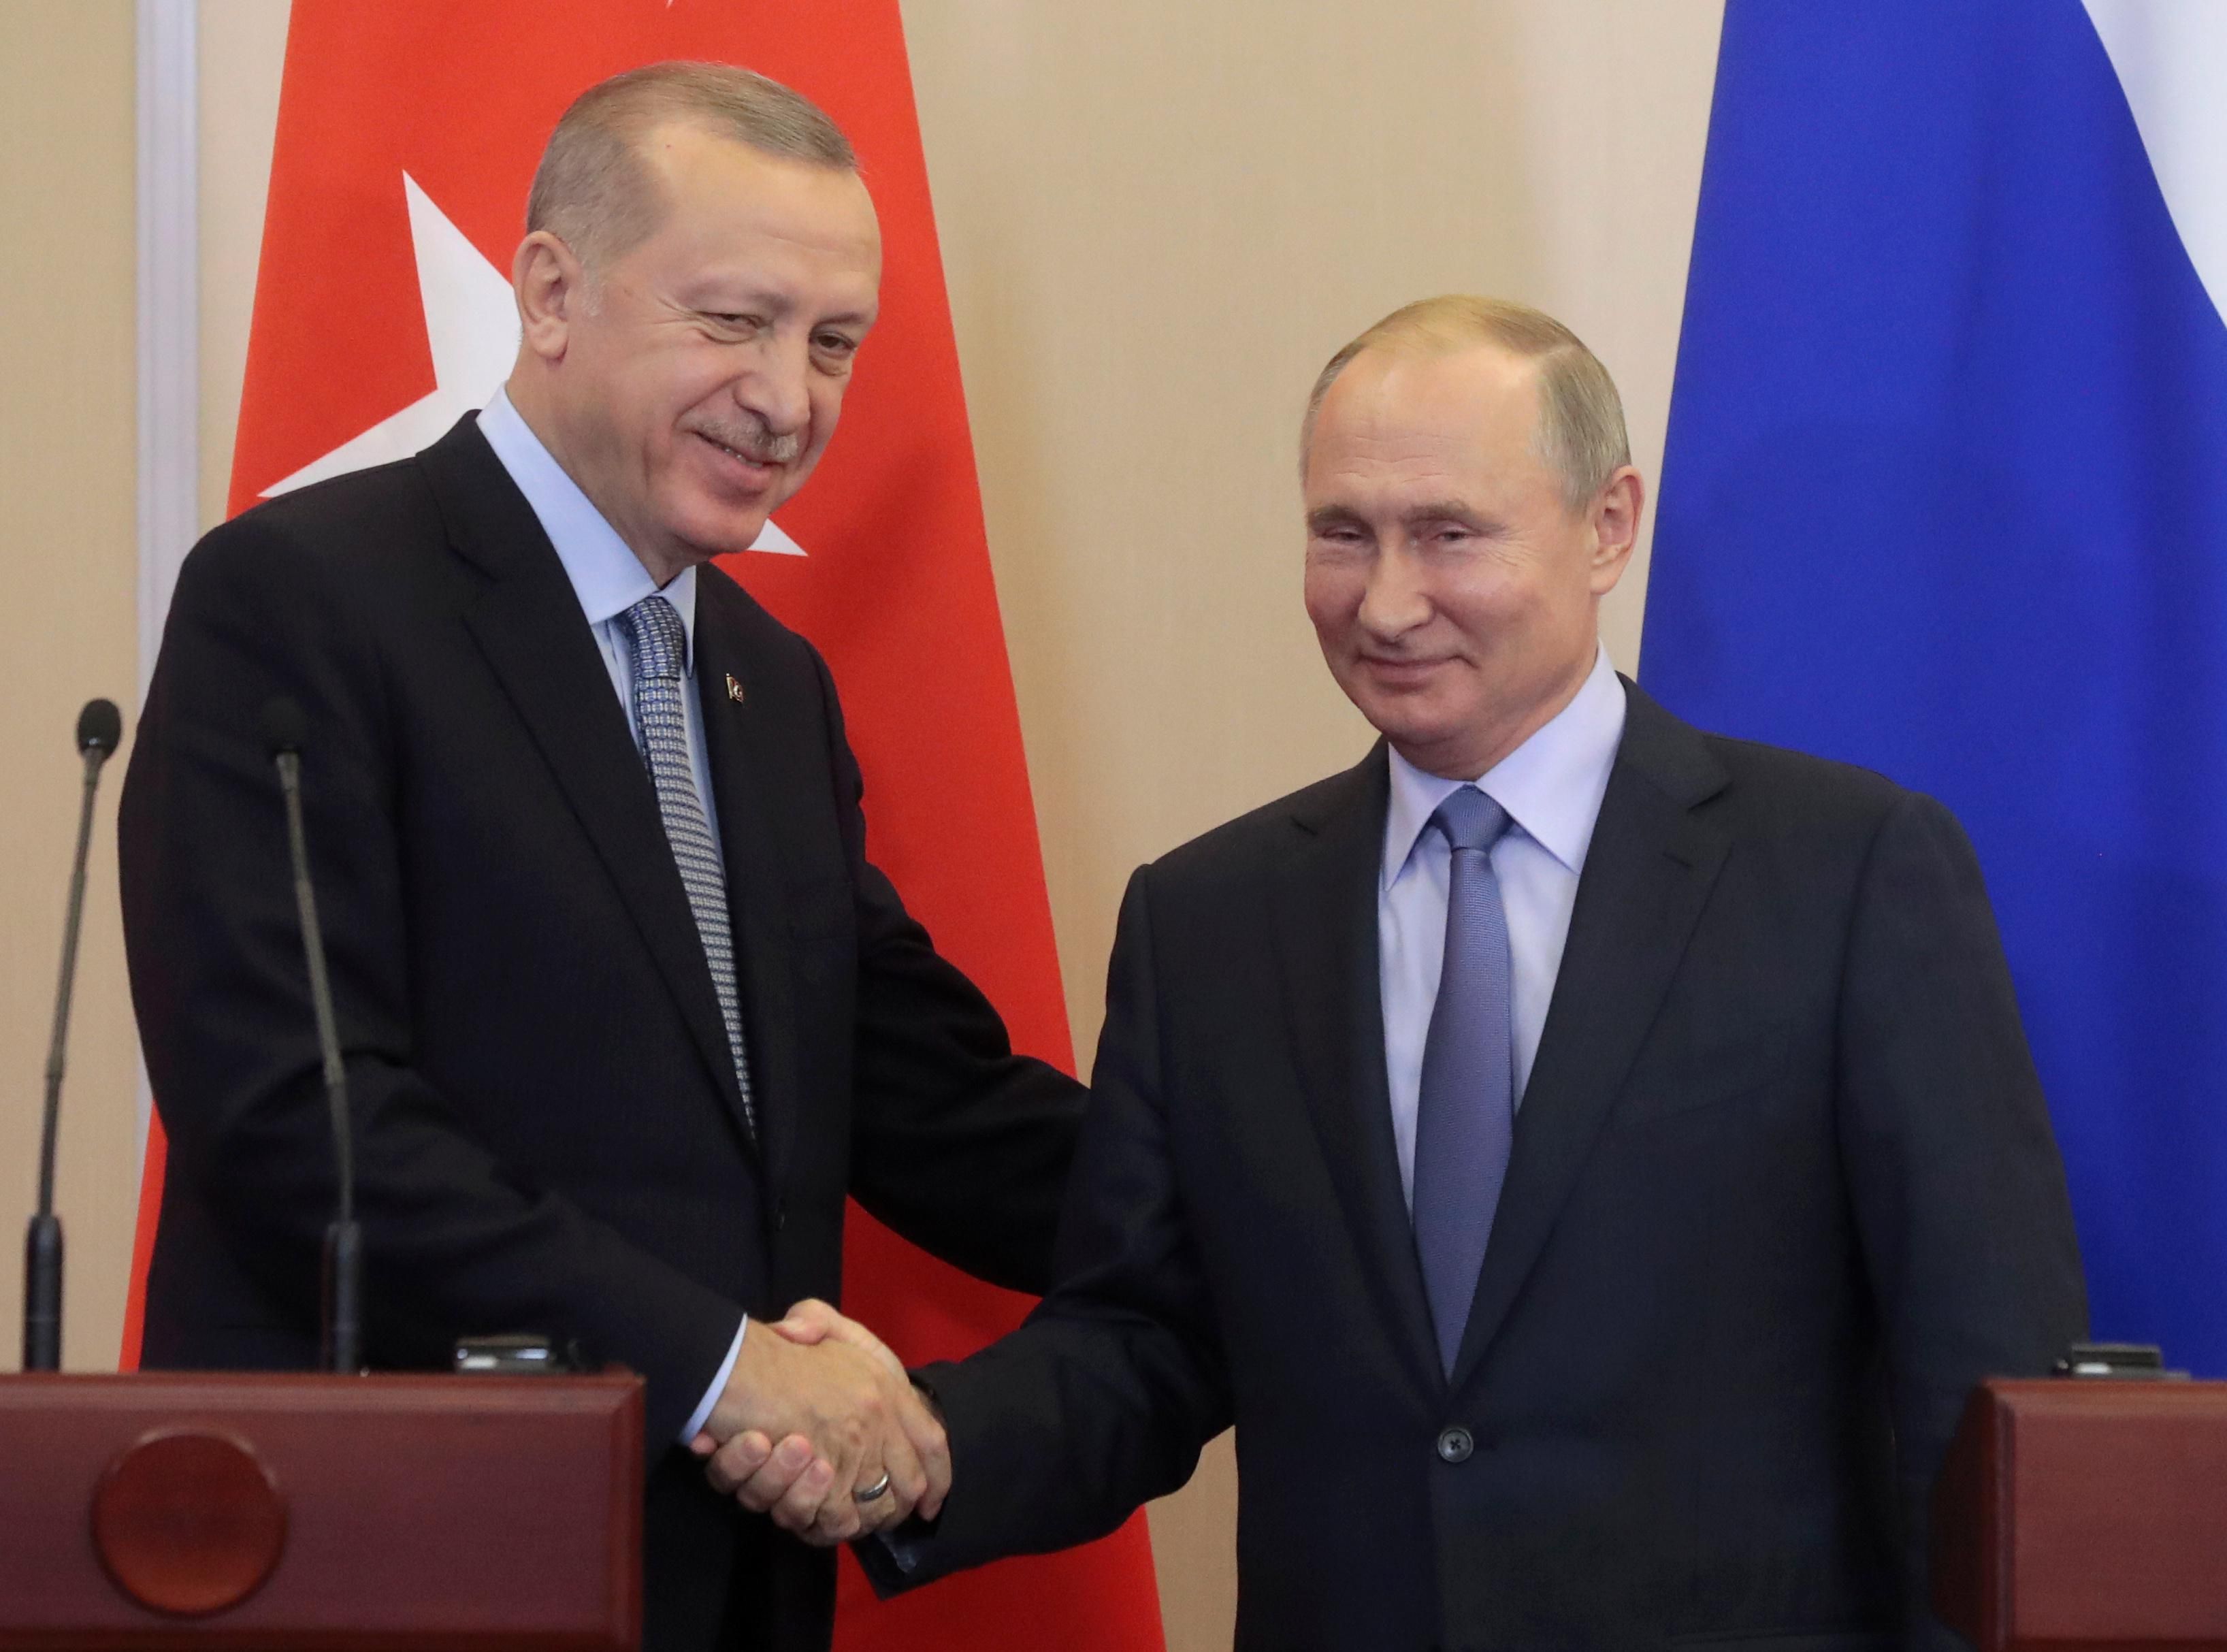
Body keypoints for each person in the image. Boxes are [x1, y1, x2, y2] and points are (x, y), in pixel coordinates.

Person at [713, 296, 2090, 1649]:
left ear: (1606, 524)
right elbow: (1144, 1336)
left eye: (1448, 534)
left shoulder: (1845, 871)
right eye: (1341, 534)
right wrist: (919, 1445)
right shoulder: (1210, 919)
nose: (1384, 600)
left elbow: (1983, 1380)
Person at [118, 63, 1084, 1652]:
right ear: (550, 294)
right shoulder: (302, 598)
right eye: (733, 321)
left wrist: (1299, 1208)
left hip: (718, 1587)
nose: (789, 395)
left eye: (834, 342)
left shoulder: (771, 687)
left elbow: (923, 1097)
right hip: (394, 1567)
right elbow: (300, 1115)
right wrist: (721, 1362)